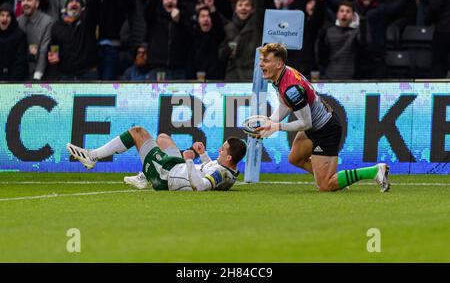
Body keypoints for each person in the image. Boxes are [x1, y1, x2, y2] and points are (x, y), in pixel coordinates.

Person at [255, 43, 391, 193]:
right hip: (317, 125)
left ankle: (373, 171)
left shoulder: (291, 88)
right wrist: (271, 120)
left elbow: (305, 123)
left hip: (326, 130)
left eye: (266, 61)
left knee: (325, 186)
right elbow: (285, 105)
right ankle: (336, 180)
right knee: (295, 158)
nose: (261, 64)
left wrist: (277, 127)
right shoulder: (281, 75)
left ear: (279, 63)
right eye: (261, 60)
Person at [66, 127, 247, 192]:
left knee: (137, 133)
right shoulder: (226, 169)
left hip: (167, 176)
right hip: (178, 168)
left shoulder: (221, 174)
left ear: (229, 157)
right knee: (162, 138)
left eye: (222, 150)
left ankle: (92, 156)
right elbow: (209, 168)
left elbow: (200, 186)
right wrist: (202, 155)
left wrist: (190, 160)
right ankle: (145, 176)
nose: (219, 150)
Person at [18, 0, 54, 80]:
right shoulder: (18, 21)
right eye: (23, 0)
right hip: (21, 74)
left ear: (37, 3)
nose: (25, 3)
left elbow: (44, 50)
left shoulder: (47, 22)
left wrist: (37, 76)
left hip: (42, 75)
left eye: (29, 0)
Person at [429, 0, 450, 78]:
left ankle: (439, 93)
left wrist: (430, 19)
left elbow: (435, 5)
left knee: (438, 64)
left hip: (444, 29)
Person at [0, 2, 27, 81]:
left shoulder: (19, 35)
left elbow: (20, 62)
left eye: (8, 16)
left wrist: (11, 83)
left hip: (14, 79)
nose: (4, 18)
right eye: (2, 15)